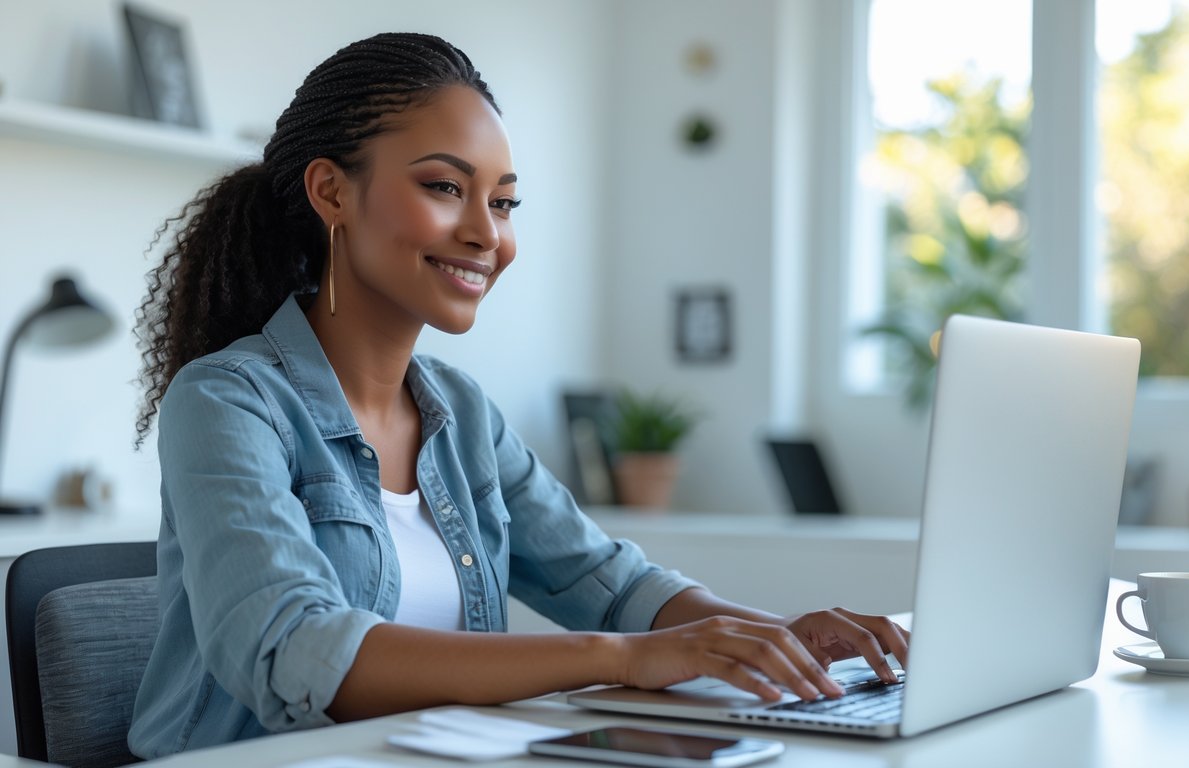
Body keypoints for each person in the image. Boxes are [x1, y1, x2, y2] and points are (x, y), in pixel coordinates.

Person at [127, 32, 910, 758]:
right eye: (444, 186)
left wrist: (779, 637)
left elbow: (609, 583)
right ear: (332, 192)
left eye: (502, 203)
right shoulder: (227, 403)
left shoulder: (460, 415)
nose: (485, 234)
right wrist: (624, 660)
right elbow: (292, 647)